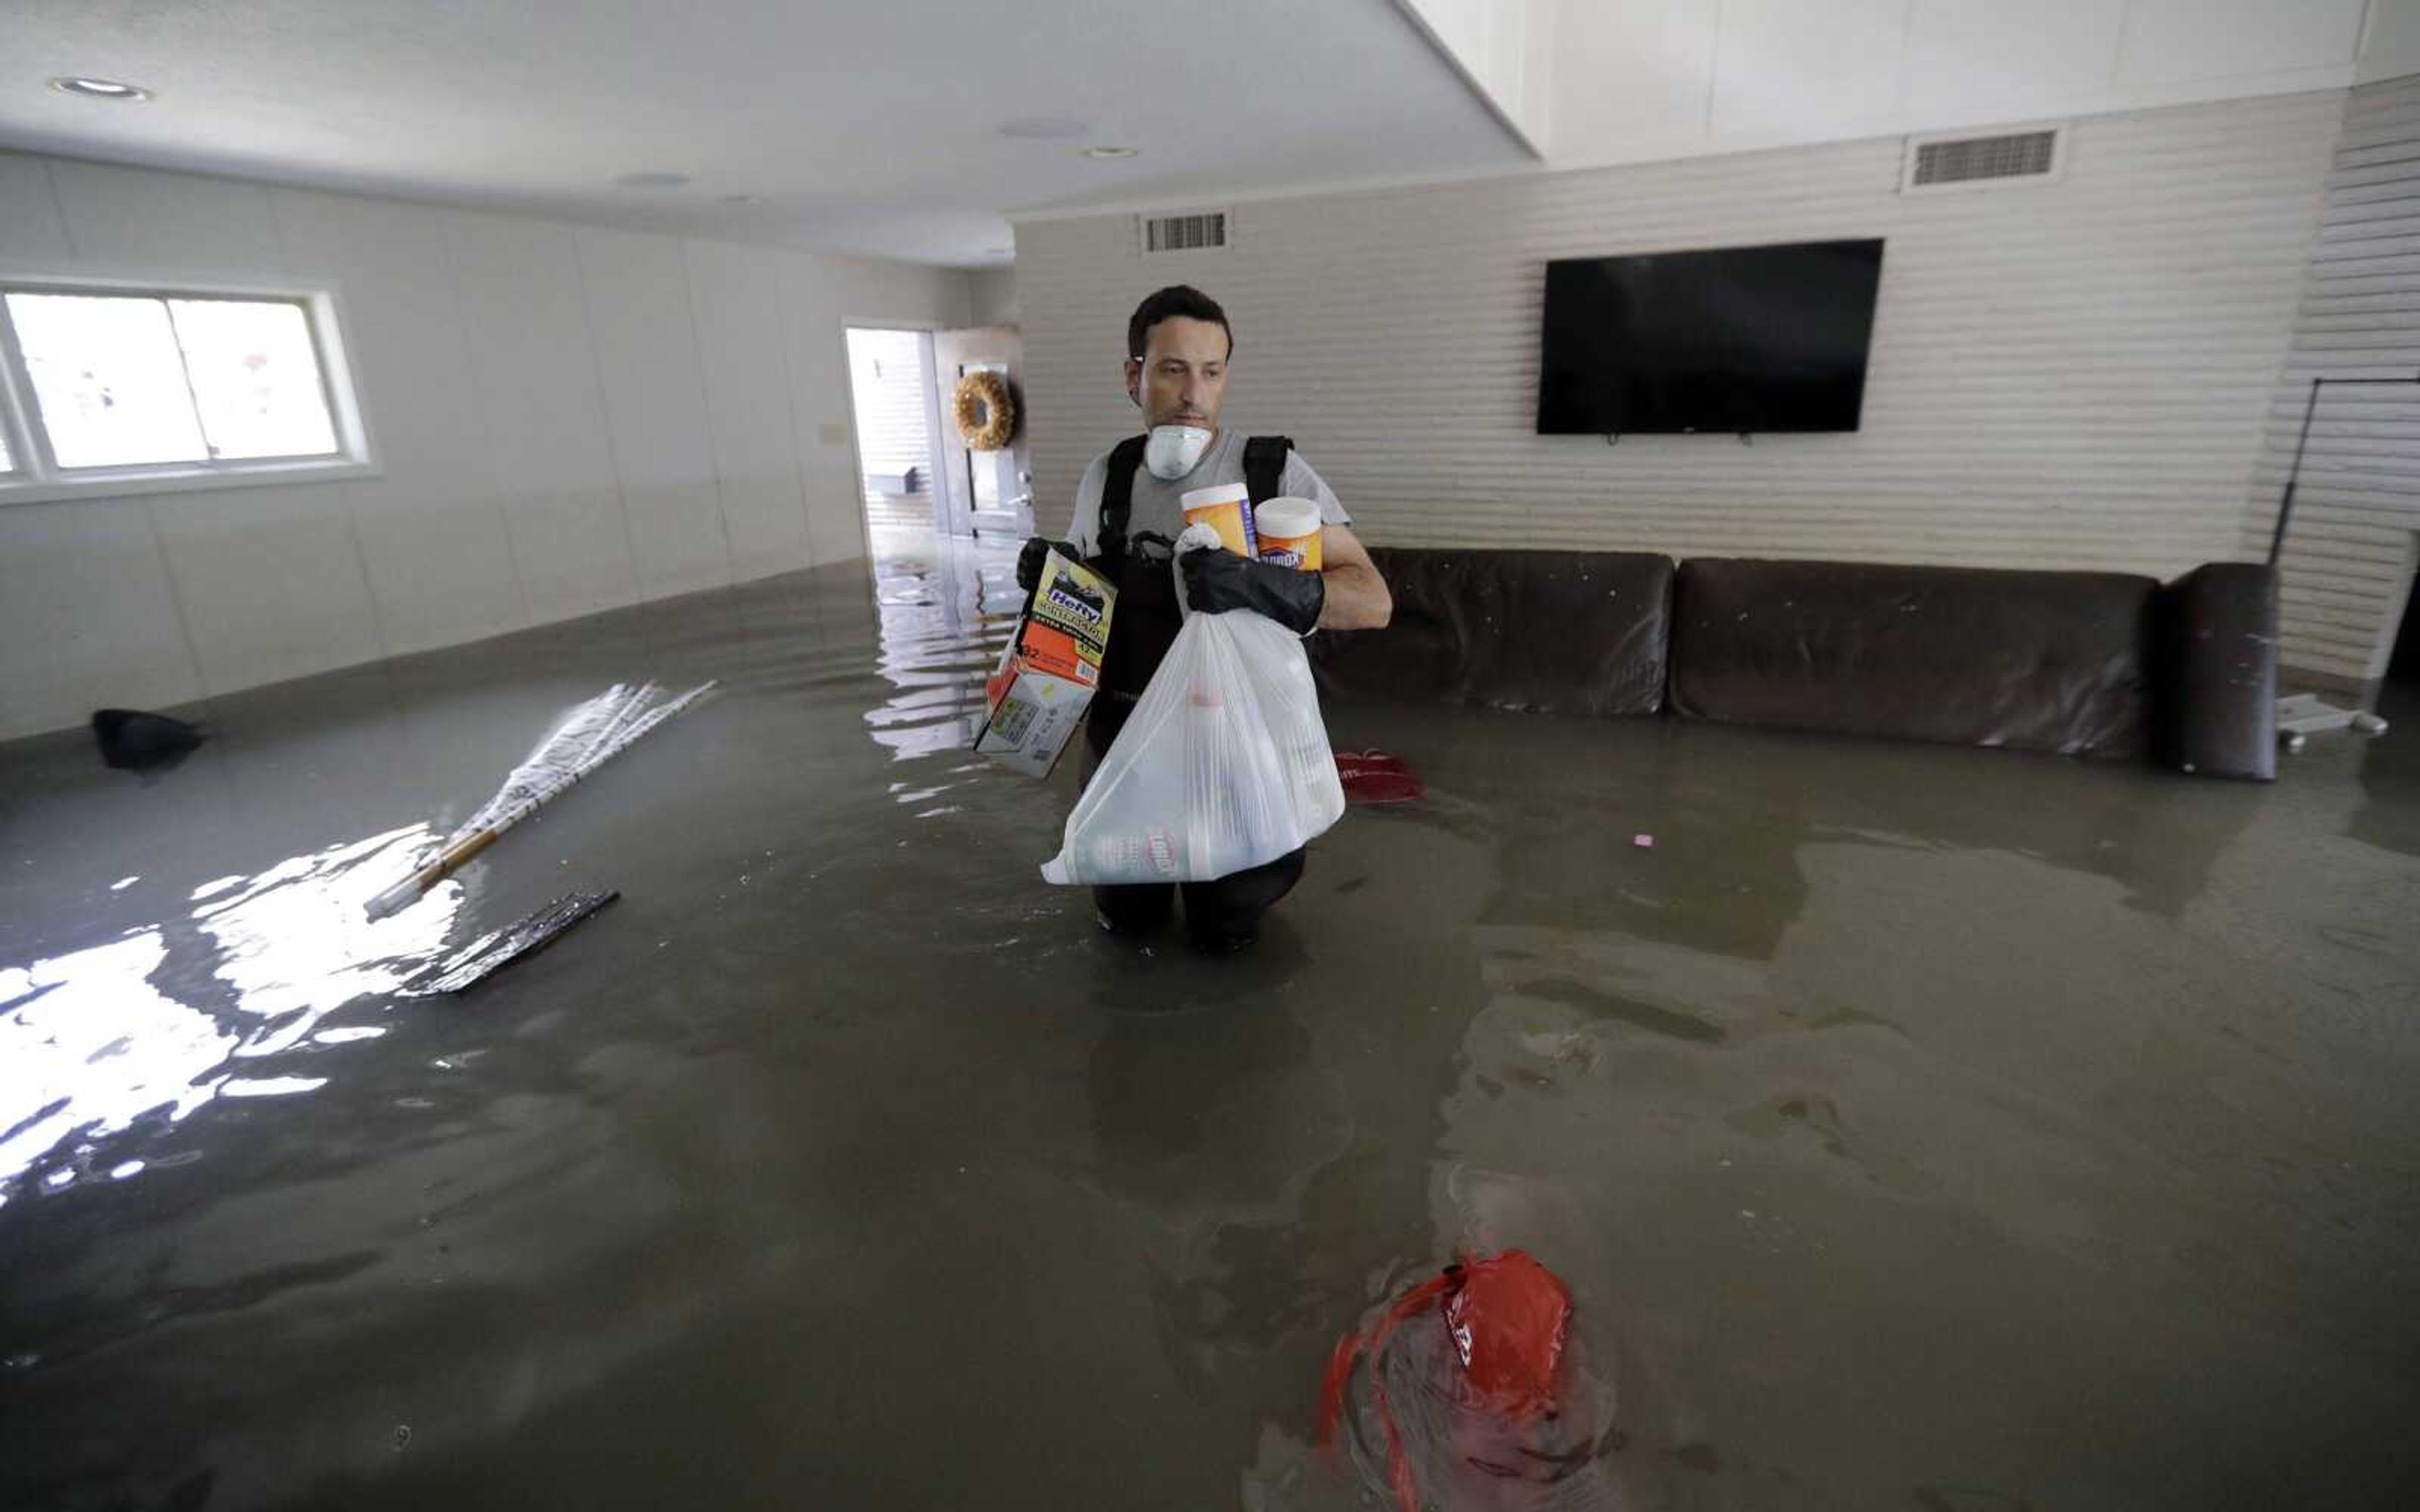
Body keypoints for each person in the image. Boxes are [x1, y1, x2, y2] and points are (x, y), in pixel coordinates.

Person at [1019, 284, 1392, 952]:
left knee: (1228, 928)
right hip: (1126, 750)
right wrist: (1050, 584)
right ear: (1133, 376)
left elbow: (1372, 601)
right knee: (1126, 929)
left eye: (1211, 372)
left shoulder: (1272, 476)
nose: (1194, 394)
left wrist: (1259, 583)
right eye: (1171, 370)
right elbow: (1079, 625)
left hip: (1238, 753)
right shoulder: (1107, 476)